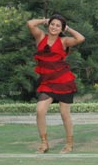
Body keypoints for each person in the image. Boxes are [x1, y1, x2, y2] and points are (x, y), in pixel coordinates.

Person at [27, 14, 85, 154]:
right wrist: (44, 20)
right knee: (40, 111)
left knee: (64, 114)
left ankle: (69, 144)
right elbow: (30, 24)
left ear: (61, 29)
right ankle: (44, 143)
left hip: (64, 81)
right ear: (48, 25)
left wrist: (68, 28)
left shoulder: (64, 41)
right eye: (52, 24)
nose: (54, 27)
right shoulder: (40, 37)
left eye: (58, 26)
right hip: (47, 82)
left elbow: (80, 39)